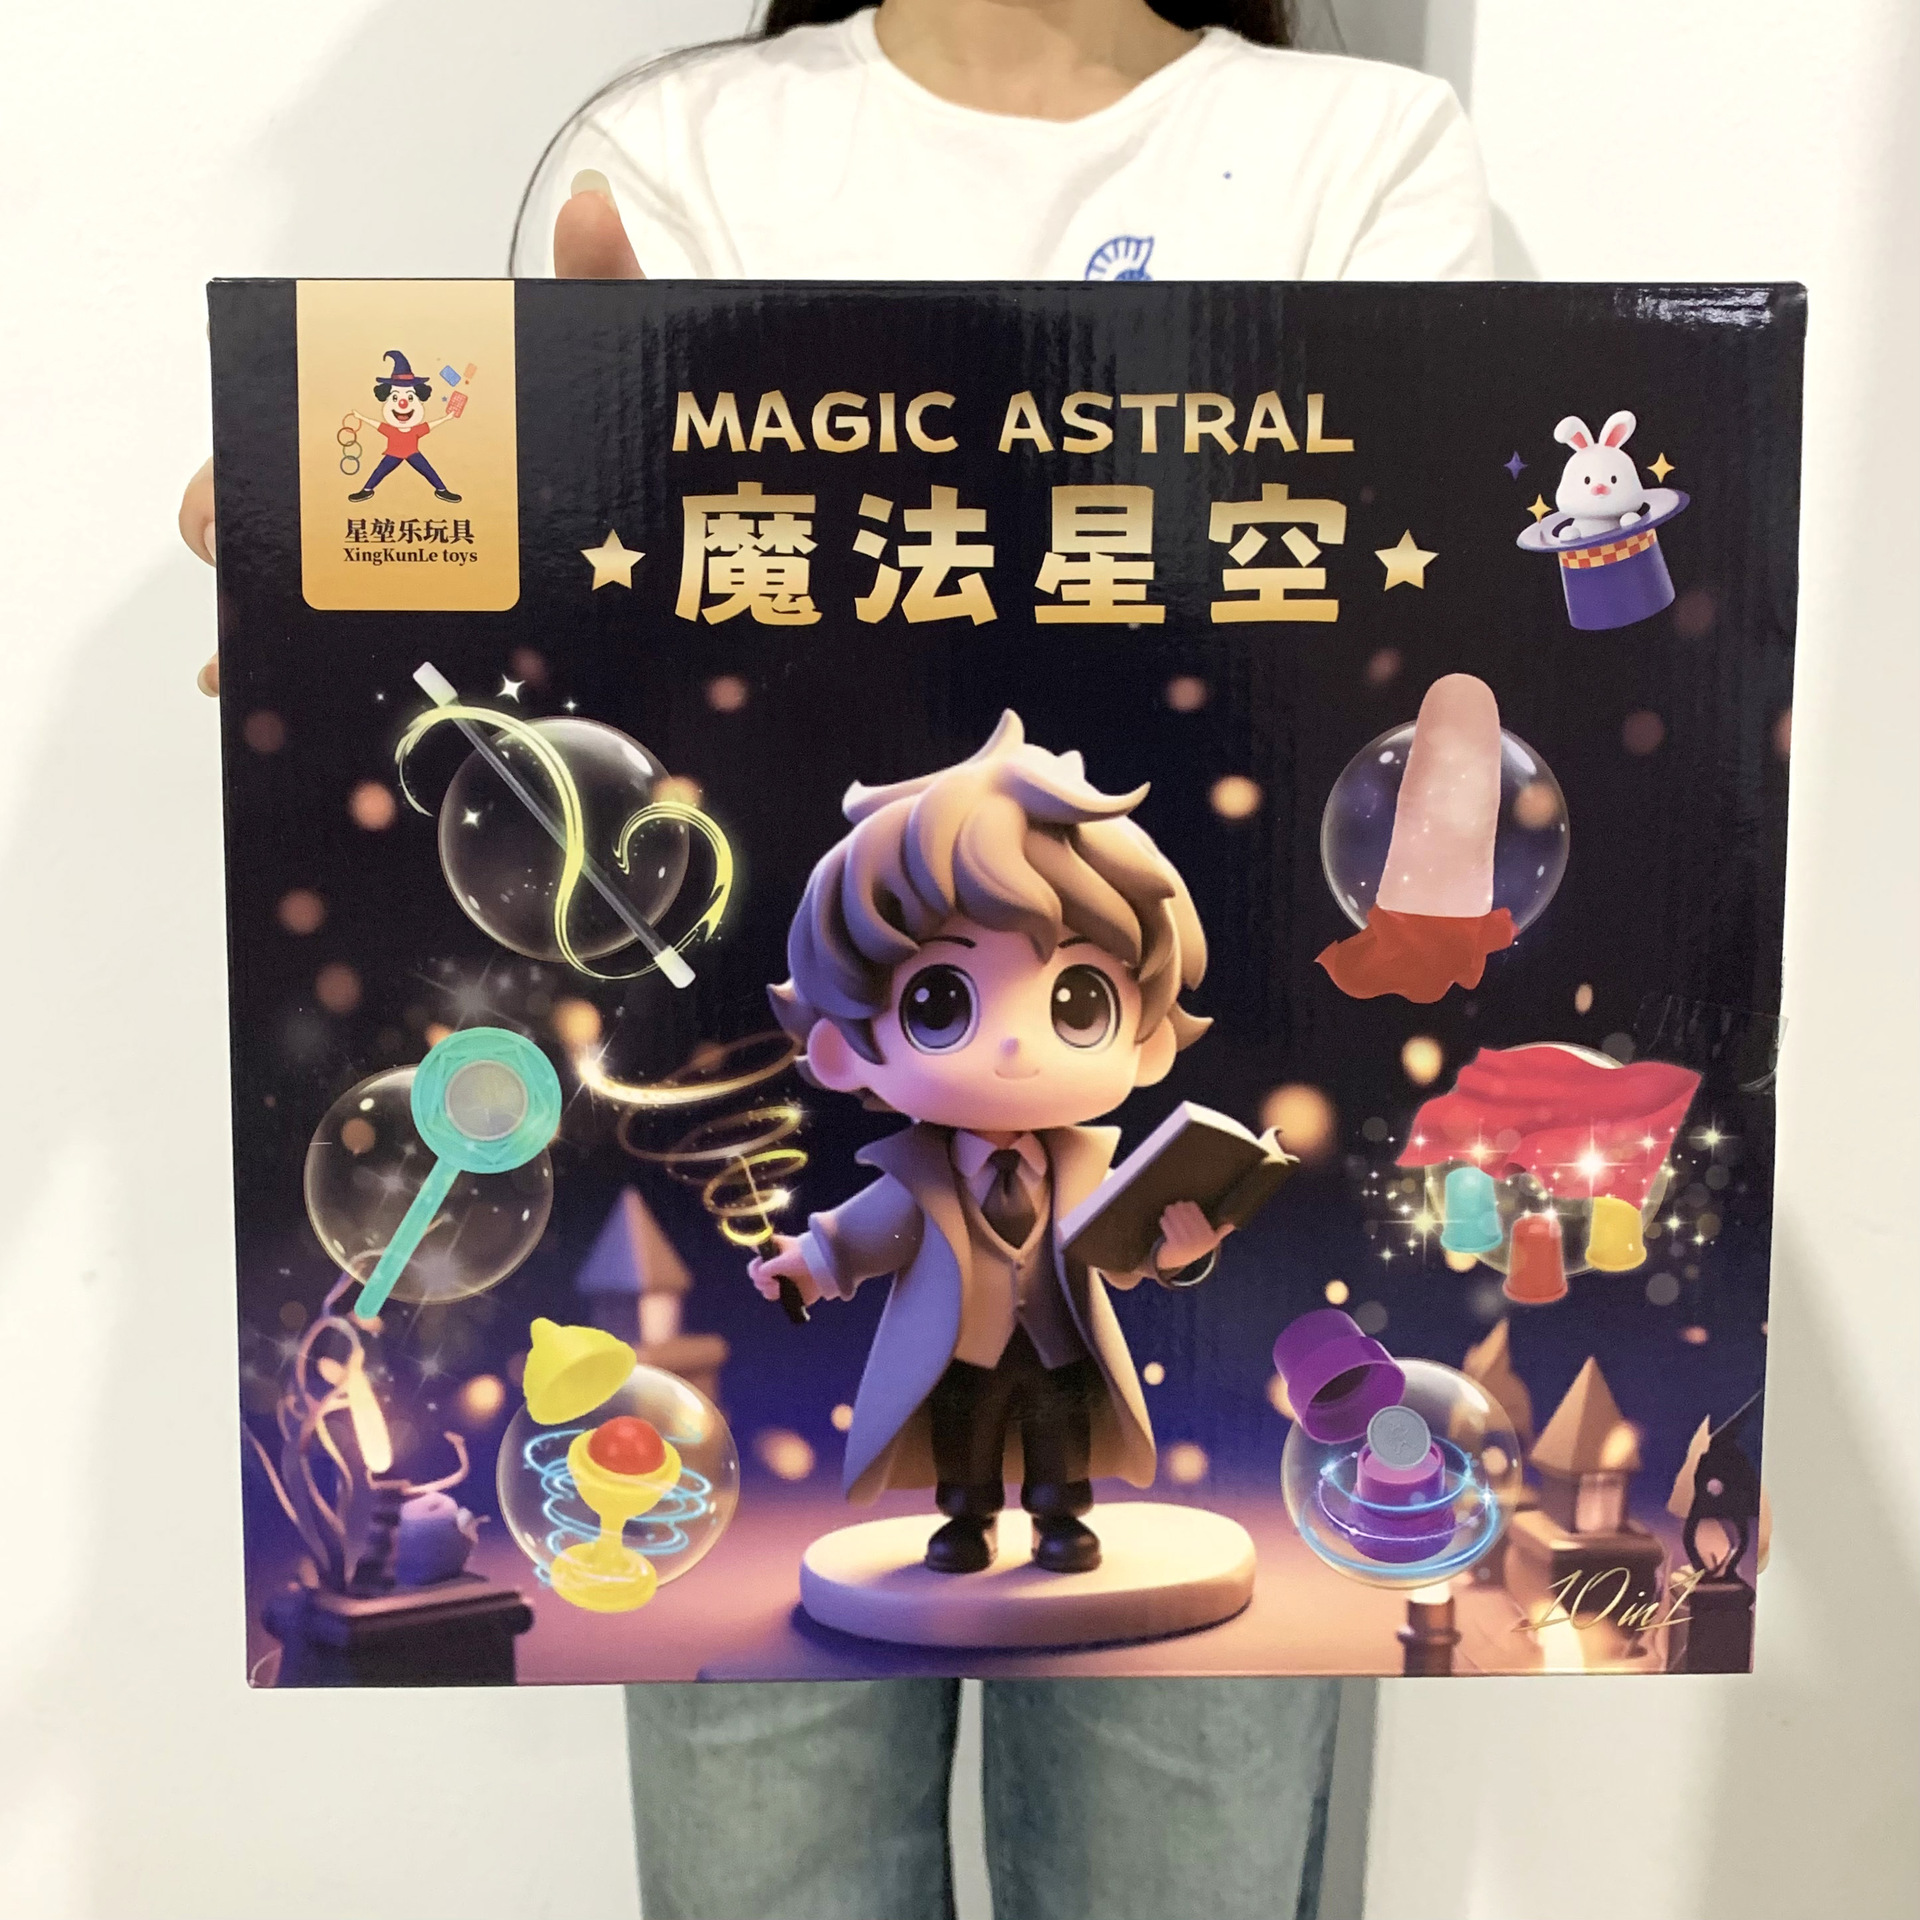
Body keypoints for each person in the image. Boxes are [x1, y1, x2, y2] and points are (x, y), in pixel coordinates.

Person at [180, 5, 1491, 1915]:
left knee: (1175, 1862)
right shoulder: (682, 148)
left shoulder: (1364, 150)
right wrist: (341, 614)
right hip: (750, 1277)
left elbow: (1427, 605)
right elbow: (580, 642)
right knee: (768, 1860)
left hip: (1200, 1363)